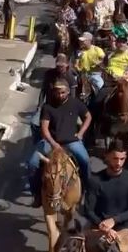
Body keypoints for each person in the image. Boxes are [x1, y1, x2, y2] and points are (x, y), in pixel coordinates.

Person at [28, 79, 92, 207]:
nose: (60, 95)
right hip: (50, 142)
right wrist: (53, 143)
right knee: (32, 163)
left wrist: (80, 134)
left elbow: (88, 116)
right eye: (57, 92)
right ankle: (37, 194)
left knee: (85, 161)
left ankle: (87, 192)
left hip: (71, 141)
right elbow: (44, 128)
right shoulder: (48, 106)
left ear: (68, 91)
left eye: (63, 92)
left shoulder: (75, 103)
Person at [85, 140, 128, 242]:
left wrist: (114, 220)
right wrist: (103, 226)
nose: (118, 163)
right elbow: (89, 210)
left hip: (123, 226)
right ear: (107, 156)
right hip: (99, 224)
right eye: (115, 158)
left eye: (122, 159)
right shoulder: (95, 180)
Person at [104, 34, 128, 131]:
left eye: (123, 42)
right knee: (98, 99)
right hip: (111, 81)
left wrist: (126, 79)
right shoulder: (110, 54)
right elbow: (106, 68)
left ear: (126, 44)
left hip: (126, 81)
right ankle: (98, 122)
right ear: (116, 44)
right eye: (119, 42)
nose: (121, 44)